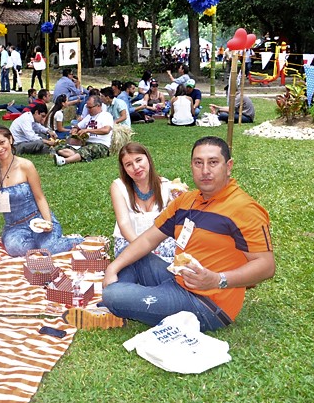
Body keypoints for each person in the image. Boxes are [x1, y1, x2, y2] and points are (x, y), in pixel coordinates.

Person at [101, 136, 276, 332]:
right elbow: (149, 239)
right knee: (131, 259)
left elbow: (266, 266)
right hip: (177, 278)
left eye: (213, 162)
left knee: (113, 296)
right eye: (198, 163)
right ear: (191, 166)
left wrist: (218, 279)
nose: (205, 171)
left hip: (208, 303)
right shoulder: (186, 201)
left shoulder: (244, 209)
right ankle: (139, 297)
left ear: (228, 166)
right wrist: (112, 268)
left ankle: (128, 299)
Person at [0, 125, 83, 256]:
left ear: (10, 140)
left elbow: (40, 197)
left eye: (2, 142)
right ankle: (43, 247)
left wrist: (48, 222)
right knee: (16, 249)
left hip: (38, 219)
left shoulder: (26, 166)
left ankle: (73, 241)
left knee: (49, 248)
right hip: (14, 227)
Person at [110, 143, 177, 262]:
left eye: (139, 160)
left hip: (160, 242)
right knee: (138, 263)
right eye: (128, 164)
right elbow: (124, 224)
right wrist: (143, 249)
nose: (136, 167)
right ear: (124, 169)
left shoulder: (168, 186)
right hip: (129, 241)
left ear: (148, 159)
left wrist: (180, 202)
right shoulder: (118, 187)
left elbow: (174, 225)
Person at [54, 94, 114, 165]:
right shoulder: (88, 117)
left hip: (101, 144)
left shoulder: (106, 115)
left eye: (90, 107)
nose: (88, 110)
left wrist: (88, 130)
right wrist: (75, 129)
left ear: (98, 106)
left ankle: (64, 161)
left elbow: (106, 130)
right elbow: (78, 126)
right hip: (86, 144)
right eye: (87, 107)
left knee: (86, 149)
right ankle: (81, 157)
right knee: (60, 148)